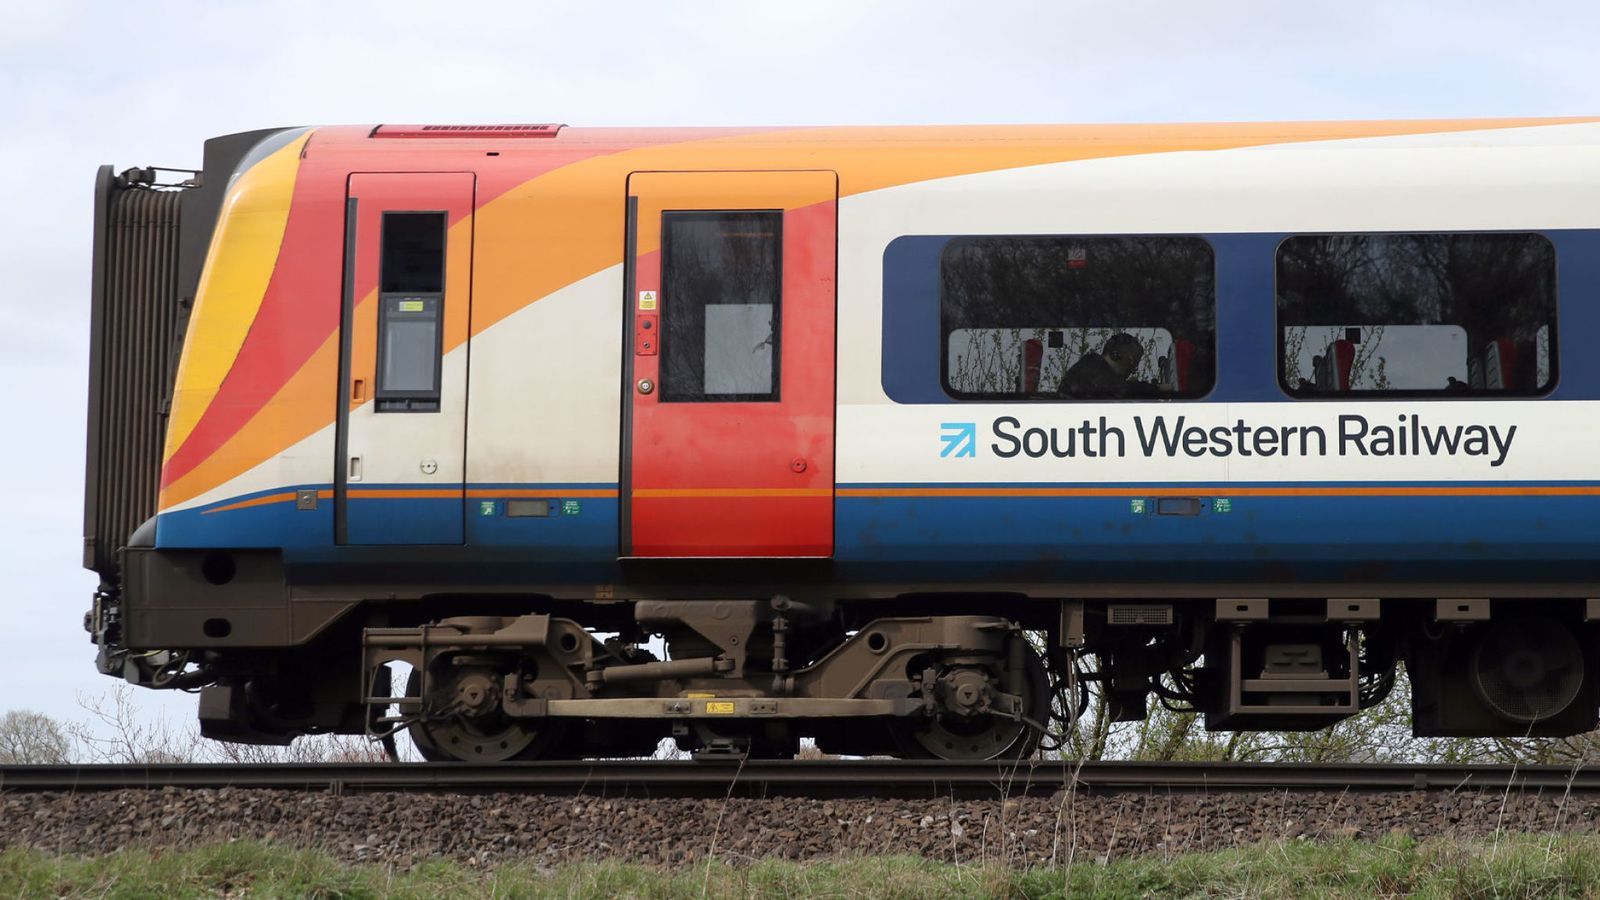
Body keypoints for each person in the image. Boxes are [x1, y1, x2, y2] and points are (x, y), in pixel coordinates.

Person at [1059, 332, 1144, 397]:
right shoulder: (1091, 370)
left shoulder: (1094, 370)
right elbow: (1118, 388)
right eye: (1131, 362)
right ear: (1115, 355)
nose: (1132, 371)